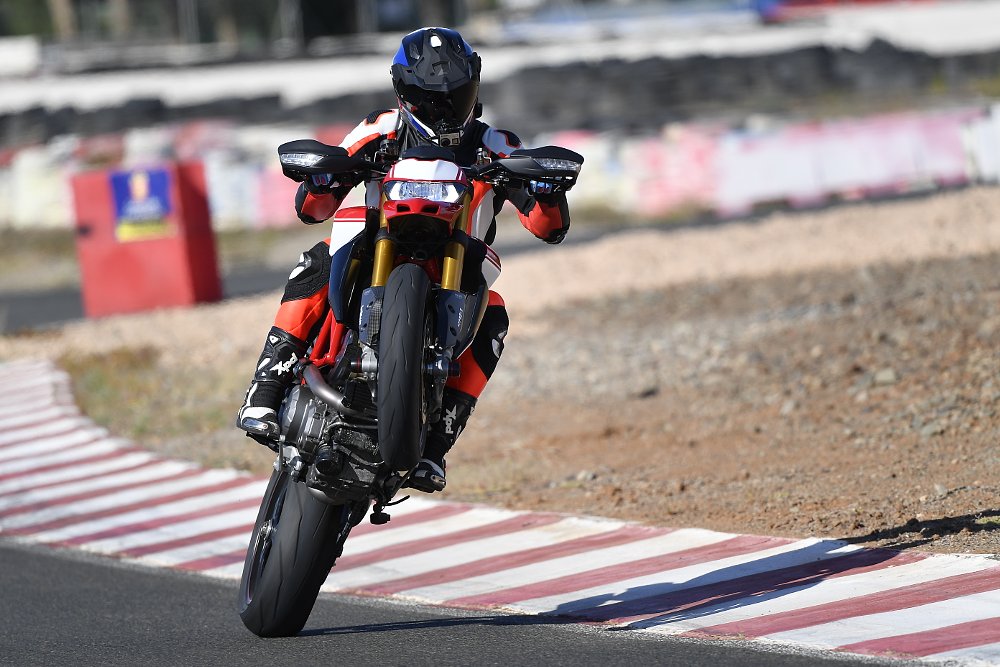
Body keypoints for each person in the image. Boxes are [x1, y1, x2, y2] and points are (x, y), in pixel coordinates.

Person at [237, 26, 571, 493]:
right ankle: (266, 385)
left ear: (474, 87)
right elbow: (313, 209)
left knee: (494, 317)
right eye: (427, 98)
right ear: (402, 92)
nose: (443, 108)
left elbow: (548, 227)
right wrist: (321, 181)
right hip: (379, 244)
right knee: (315, 260)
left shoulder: (495, 142)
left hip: (460, 266)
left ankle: (435, 448)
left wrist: (546, 191)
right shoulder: (380, 128)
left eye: (456, 96)